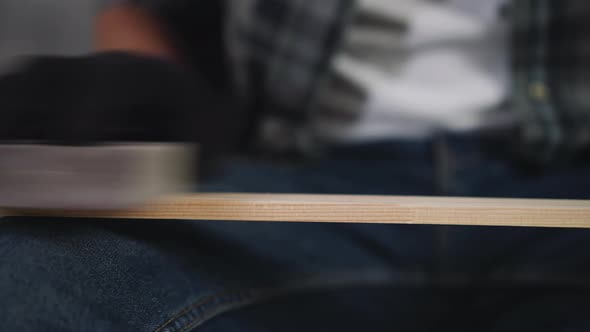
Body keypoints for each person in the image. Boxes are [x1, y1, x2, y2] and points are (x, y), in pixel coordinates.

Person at [1, 0, 590, 331]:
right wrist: (141, 88)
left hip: (565, 185)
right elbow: (143, 12)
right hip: (290, 183)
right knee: (31, 278)